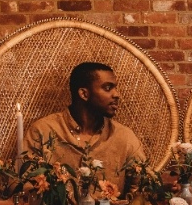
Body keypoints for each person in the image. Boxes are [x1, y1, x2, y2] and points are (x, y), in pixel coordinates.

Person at [22, 62, 145, 193]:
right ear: (84, 94)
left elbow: (144, 186)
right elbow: (25, 184)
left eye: (115, 88)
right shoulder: (42, 131)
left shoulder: (124, 136)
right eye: (108, 88)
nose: (117, 95)